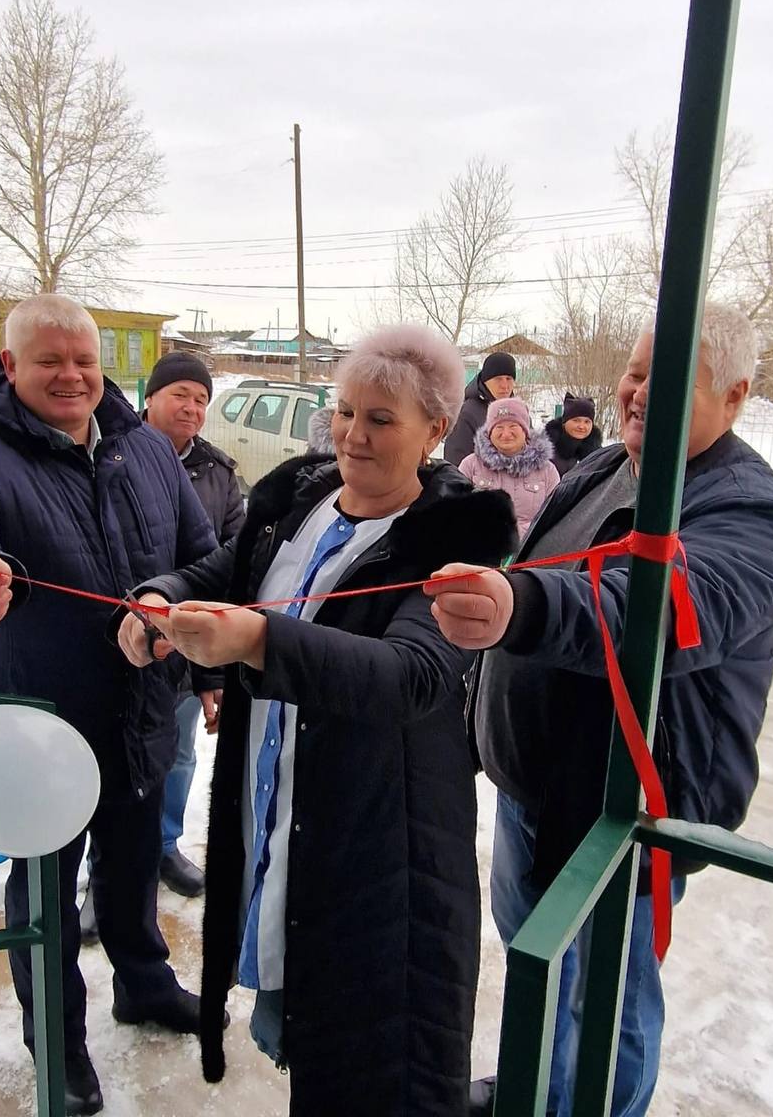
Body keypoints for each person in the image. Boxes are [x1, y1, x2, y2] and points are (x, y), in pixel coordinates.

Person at [117, 325, 518, 1116]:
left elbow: (412, 676)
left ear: (436, 431)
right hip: (278, 813)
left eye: (379, 419)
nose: (351, 435)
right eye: (343, 412)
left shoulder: (454, 540)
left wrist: (260, 639)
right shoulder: (298, 496)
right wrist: (158, 596)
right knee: (311, 1027)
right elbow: (226, 570)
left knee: (369, 1056)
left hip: (380, 839)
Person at [425, 304, 773, 1117]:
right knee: (539, 966)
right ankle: (537, 1089)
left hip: (622, 816)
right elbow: (535, 557)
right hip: (537, 786)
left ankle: (592, 1103)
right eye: (634, 371)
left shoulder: (748, 512)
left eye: (666, 382)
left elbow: (660, 610)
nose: (636, 393)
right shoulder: (606, 467)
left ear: (732, 397)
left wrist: (519, 605)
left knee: (607, 1002)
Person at [0, 296, 219, 1116]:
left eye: (82, 360)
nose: (71, 375)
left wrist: (205, 654)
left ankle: (143, 986)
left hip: (140, 705)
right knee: (43, 889)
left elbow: (202, 556)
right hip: (34, 733)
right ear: (10, 368)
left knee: (131, 863)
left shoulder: (146, 450)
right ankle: (59, 1043)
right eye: (49, 361)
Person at [77, 353, 243, 942]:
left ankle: (164, 848)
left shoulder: (221, 473)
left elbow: (224, 564)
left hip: (180, 655)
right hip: (114, 651)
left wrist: (211, 672)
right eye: (180, 394)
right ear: (150, 398)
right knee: (106, 771)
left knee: (175, 758)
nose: (192, 408)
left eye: (201, 399)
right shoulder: (112, 456)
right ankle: (101, 883)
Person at [458, 397, 560, 539]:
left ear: (525, 431)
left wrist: (517, 535)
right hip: (481, 551)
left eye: (513, 426)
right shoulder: (470, 465)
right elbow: (457, 513)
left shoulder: (547, 471)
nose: (506, 434)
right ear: (489, 432)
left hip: (531, 551)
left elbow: (554, 517)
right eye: (499, 427)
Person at [444, 350, 517, 466]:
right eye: (498, 379)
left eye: (509, 378)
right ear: (486, 381)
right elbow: (455, 462)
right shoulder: (467, 413)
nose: (504, 385)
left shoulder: (519, 413)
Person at [545, 393, 603, 477]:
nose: (581, 426)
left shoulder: (598, 455)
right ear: (564, 422)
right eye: (576, 420)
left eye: (587, 422)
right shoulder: (547, 450)